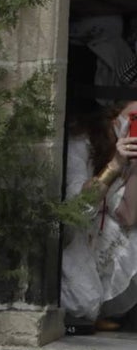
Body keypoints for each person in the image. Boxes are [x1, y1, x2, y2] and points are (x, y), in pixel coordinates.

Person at [61, 99, 137, 332]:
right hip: (74, 227)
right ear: (117, 115)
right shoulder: (84, 141)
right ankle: (87, 311)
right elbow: (76, 205)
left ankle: (102, 310)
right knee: (82, 300)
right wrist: (115, 163)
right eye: (134, 118)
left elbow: (128, 216)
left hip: (105, 228)